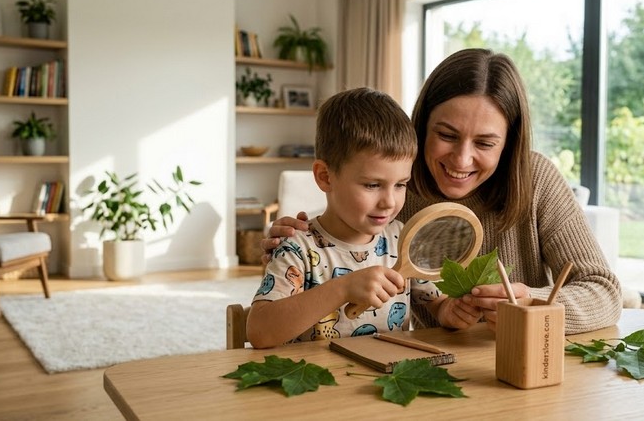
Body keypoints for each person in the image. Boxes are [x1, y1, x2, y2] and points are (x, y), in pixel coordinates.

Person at [263, 49, 623, 335]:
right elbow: (343, 230)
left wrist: (532, 301)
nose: (462, 159)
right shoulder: (398, 188)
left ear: (508, 145)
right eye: (447, 135)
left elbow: (604, 292)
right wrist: (291, 245)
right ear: (421, 126)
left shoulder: (536, 178)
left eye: (484, 142)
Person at [247, 87, 447, 348]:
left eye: (400, 185)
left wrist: (454, 311)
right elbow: (260, 332)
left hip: (386, 380)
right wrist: (342, 288)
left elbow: (439, 305)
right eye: (372, 185)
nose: (389, 202)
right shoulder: (297, 247)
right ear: (325, 177)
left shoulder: (402, 238)